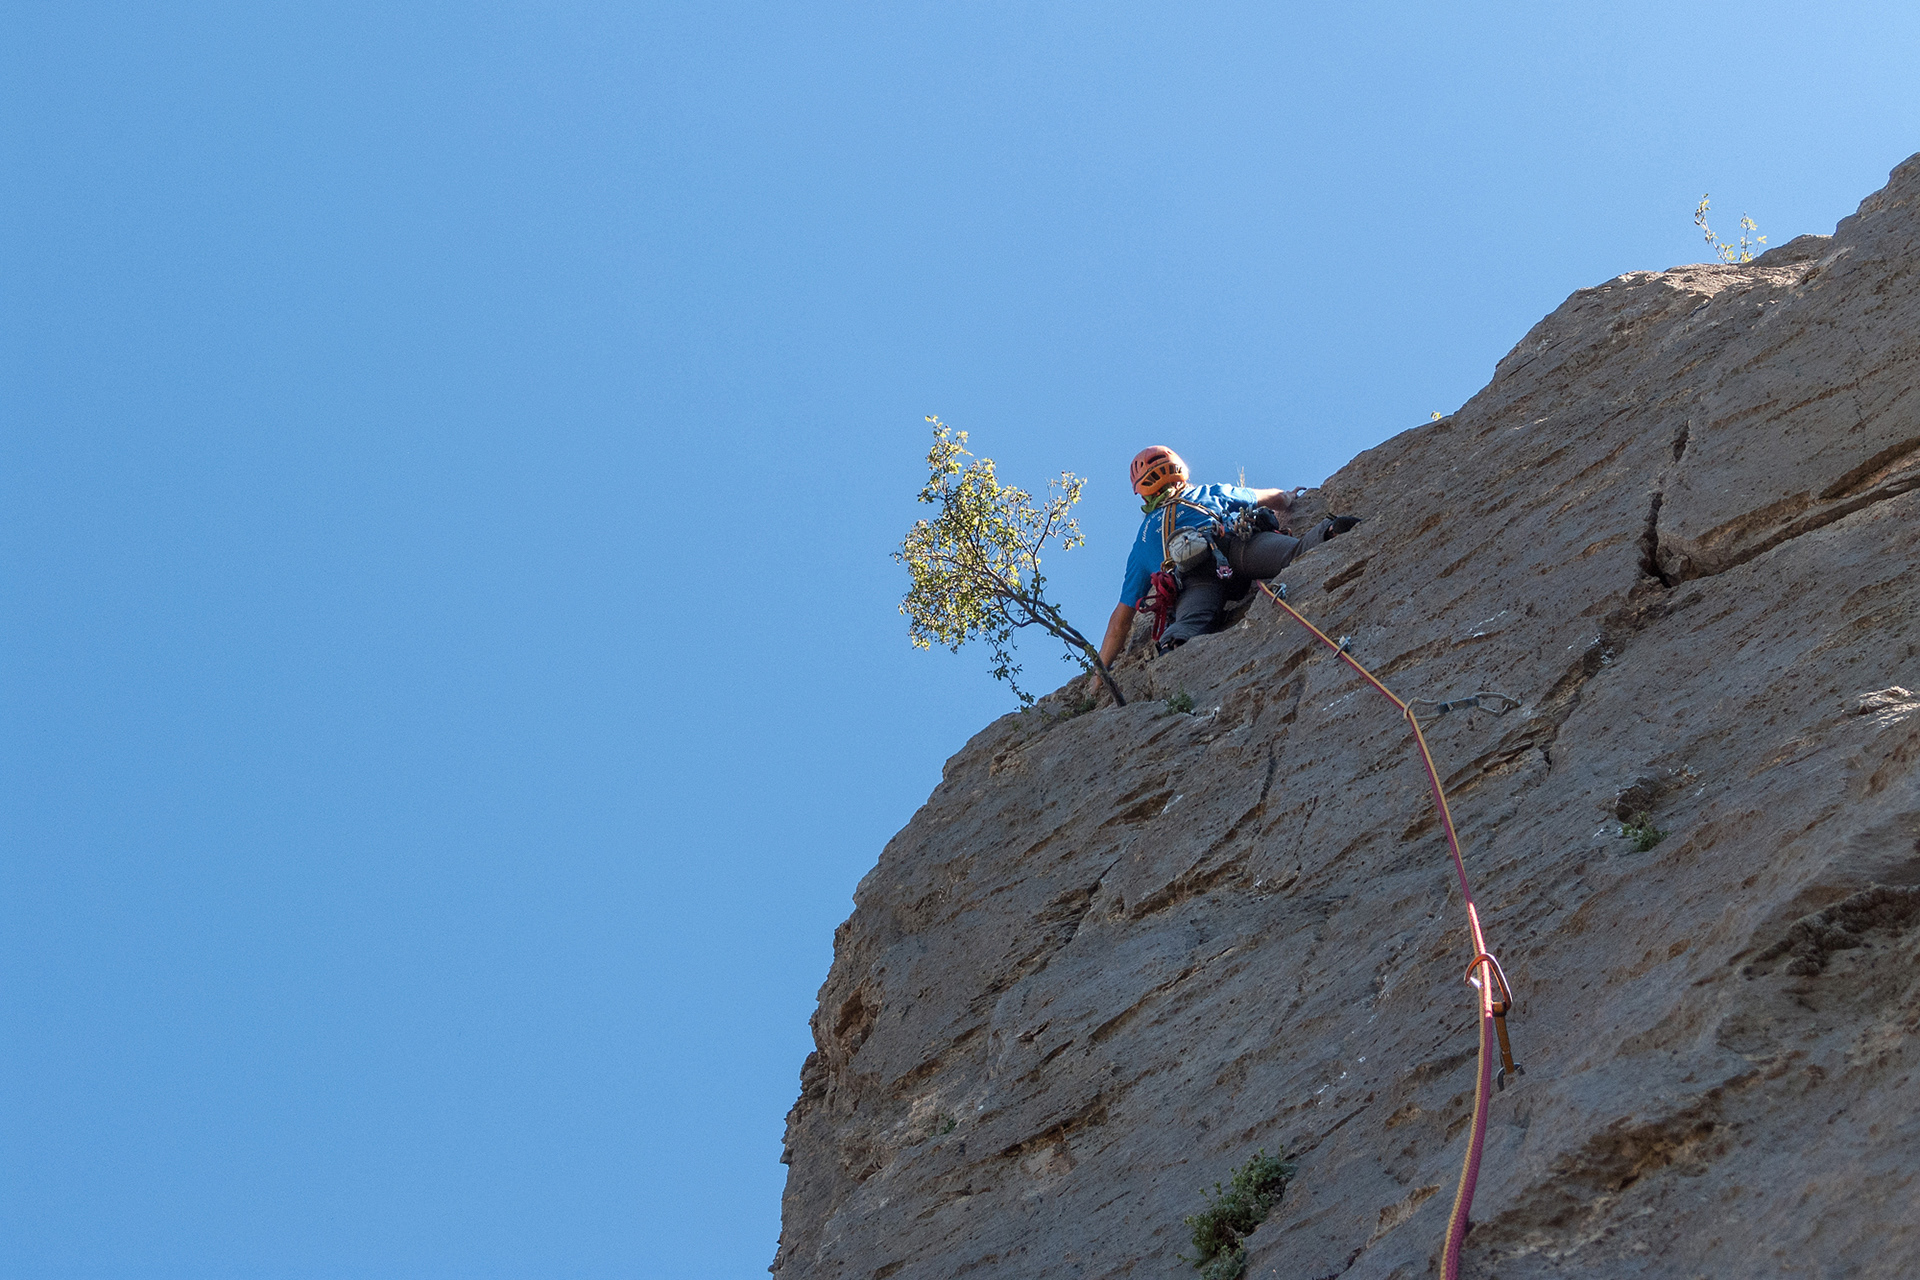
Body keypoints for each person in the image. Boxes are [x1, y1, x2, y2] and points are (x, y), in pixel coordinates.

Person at [1095, 446, 1358, 669]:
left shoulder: (1142, 540)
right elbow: (1271, 498)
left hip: (1195, 580)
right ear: (1180, 472)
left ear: (1143, 491)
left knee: (1185, 628)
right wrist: (1289, 497)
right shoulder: (1206, 494)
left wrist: (1098, 678)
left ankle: (1173, 647)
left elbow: (1120, 620)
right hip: (1232, 548)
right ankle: (1331, 531)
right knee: (1295, 553)